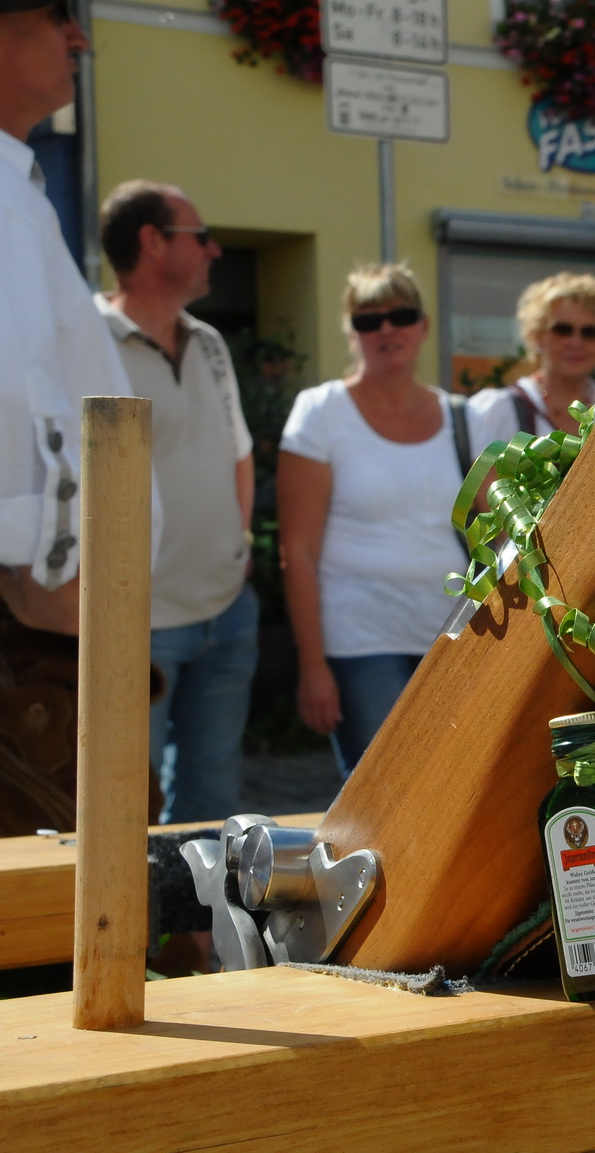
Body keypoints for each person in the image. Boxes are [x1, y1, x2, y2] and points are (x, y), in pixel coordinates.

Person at [0, 0, 154, 836]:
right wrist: (59, 576)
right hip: (34, 620)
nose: (81, 34)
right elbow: (22, 405)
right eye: (57, 12)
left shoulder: (17, 182)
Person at [278, 264, 485, 776]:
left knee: (452, 786)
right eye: (369, 321)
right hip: (361, 641)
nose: (387, 330)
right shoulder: (320, 411)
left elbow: (494, 535)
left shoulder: (462, 415)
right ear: (352, 333)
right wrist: (313, 666)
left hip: (453, 637)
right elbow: (297, 551)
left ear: (424, 326)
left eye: (401, 315)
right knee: (384, 791)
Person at [95, 180, 257, 821]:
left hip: (226, 610)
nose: (216, 250)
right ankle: (131, 927)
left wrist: (239, 550)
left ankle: (197, 928)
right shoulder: (86, 338)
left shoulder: (210, 342)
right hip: (134, 621)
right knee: (121, 804)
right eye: (200, 236)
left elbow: (238, 453)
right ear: (152, 242)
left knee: (213, 804)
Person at [471, 272, 595, 444]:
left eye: (590, 332)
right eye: (562, 330)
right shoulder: (497, 411)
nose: (576, 342)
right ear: (536, 335)